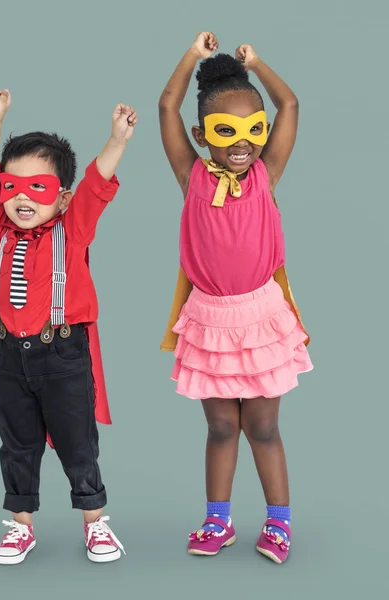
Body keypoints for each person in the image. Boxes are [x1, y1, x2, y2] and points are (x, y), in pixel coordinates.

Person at [0, 90, 137, 565]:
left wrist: (116, 139)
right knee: (17, 443)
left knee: (77, 442)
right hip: (9, 357)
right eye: (11, 187)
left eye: (36, 189)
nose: (20, 199)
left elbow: (98, 182)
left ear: (61, 197)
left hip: (62, 356)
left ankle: (95, 522)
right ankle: (20, 528)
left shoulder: (72, 228)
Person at [158, 33, 313, 564]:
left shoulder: (267, 176)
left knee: (263, 427)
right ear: (202, 136)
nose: (243, 142)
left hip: (262, 316)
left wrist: (258, 63)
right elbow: (166, 106)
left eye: (254, 129)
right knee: (222, 426)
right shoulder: (191, 176)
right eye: (227, 131)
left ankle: (279, 523)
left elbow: (290, 102)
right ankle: (217, 520)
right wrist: (191, 58)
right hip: (209, 318)